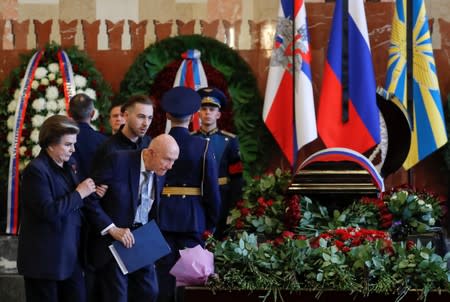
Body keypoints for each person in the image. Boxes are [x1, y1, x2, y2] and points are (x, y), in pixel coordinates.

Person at [17, 115, 106, 302]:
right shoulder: (36, 170)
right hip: (44, 260)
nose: (73, 150)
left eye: (73, 144)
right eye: (68, 145)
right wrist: (80, 193)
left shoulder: (68, 165)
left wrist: (93, 193)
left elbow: (74, 201)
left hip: (69, 254)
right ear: (50, 144)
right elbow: (48, 211)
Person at [85, 134, 179, 302]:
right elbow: (88, 197)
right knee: (117, 296)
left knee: (149, 292)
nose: (171, 166)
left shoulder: (160, 170)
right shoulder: (117, 160)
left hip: (142, 239)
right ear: (150, 153)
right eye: (167, 159)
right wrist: (111, 228)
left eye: (174, 161)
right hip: (114, 241)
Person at [156, 86, 221, 302]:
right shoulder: (202, 145)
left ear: (167, 115)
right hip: (193, 218)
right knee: (192, 280)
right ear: (194, 115)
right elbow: (212, 191)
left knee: (162, 277)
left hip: (161, 216)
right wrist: (210, 224)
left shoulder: (157, 144)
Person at [193, 87, 243, 239]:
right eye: (204, 108)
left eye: (212, 109)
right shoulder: (191, 139)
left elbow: (237, 177)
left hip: (223, 197)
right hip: (197, 196)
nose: (208, 112)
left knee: (220, 237)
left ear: (218, 114)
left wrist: (234, 206)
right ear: (198, 113)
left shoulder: (230, 141)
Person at [91, 95, 153, 172]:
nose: (146, 123)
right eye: (141, 117)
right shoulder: (108, 148)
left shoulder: (150, 144)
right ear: (126, 116)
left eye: (150, 118)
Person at [69, 93, 107, 181]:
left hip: (69, 191)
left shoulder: (60, 140)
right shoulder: (104, 141)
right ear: (93, 113)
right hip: (97, 191)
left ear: (69, 113)